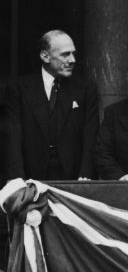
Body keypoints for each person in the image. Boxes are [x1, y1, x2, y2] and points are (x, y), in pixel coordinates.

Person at [5, 30, 99, 180]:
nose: (73, 59)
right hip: (31, 177)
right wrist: (16, 178)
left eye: (73, 53)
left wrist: (86, 175)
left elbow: (91, 135)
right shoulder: (19, 88)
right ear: (45, 56)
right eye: (65, 54)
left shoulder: (85, 89)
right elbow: (13, 137)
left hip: (73, 177)